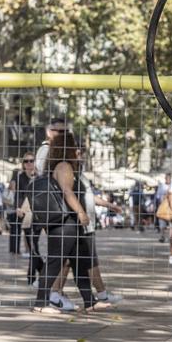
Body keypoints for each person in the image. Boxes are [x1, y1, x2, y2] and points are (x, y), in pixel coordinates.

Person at [31, 130, 104, 313]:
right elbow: (67, 191)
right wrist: (81, 212)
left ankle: (90, 302)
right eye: (75, 146)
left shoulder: (60, 165)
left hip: (68, 223)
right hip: (65, 223)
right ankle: (40, 304)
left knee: (78, 262)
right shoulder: (64, 166)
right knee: (55, 262)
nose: (78, 150)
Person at [48, 146, 125, 307]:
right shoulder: (68, 173)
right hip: (76, 224)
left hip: (85, 225)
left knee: (80, 261)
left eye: (81, 153)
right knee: (76, 261)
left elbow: (90, 197)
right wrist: (81, 214)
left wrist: (110, 205)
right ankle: (56, 295)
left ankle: (64, 296)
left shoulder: (79, 174)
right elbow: (68, 195)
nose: (80, 155)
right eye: (77, 152)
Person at [7, 154, 35, 257]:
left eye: (31, 160)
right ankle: (29, 250)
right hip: (24, 207)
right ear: (23, 164)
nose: (29, 163)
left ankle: (32, 251)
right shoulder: (20, 177)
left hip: (38, 208)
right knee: (27, 229)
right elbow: (17, 194)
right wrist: (18, 207)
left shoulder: (39, 176)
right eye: (26, 161)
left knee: (33, 231)